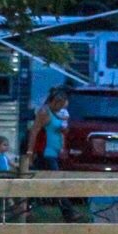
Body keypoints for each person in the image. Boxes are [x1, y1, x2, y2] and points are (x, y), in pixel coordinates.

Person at [25, 89, 78, 222]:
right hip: (45, 153)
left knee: (36, 181)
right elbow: (34, 132)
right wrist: (30, 152)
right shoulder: (44, 112)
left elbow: (61, 130)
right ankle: (69, 212)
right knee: (56, 181)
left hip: (54, 152)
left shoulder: (57, 114)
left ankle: (25, 209)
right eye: (60, 105)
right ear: (54, 102)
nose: (61, 108)